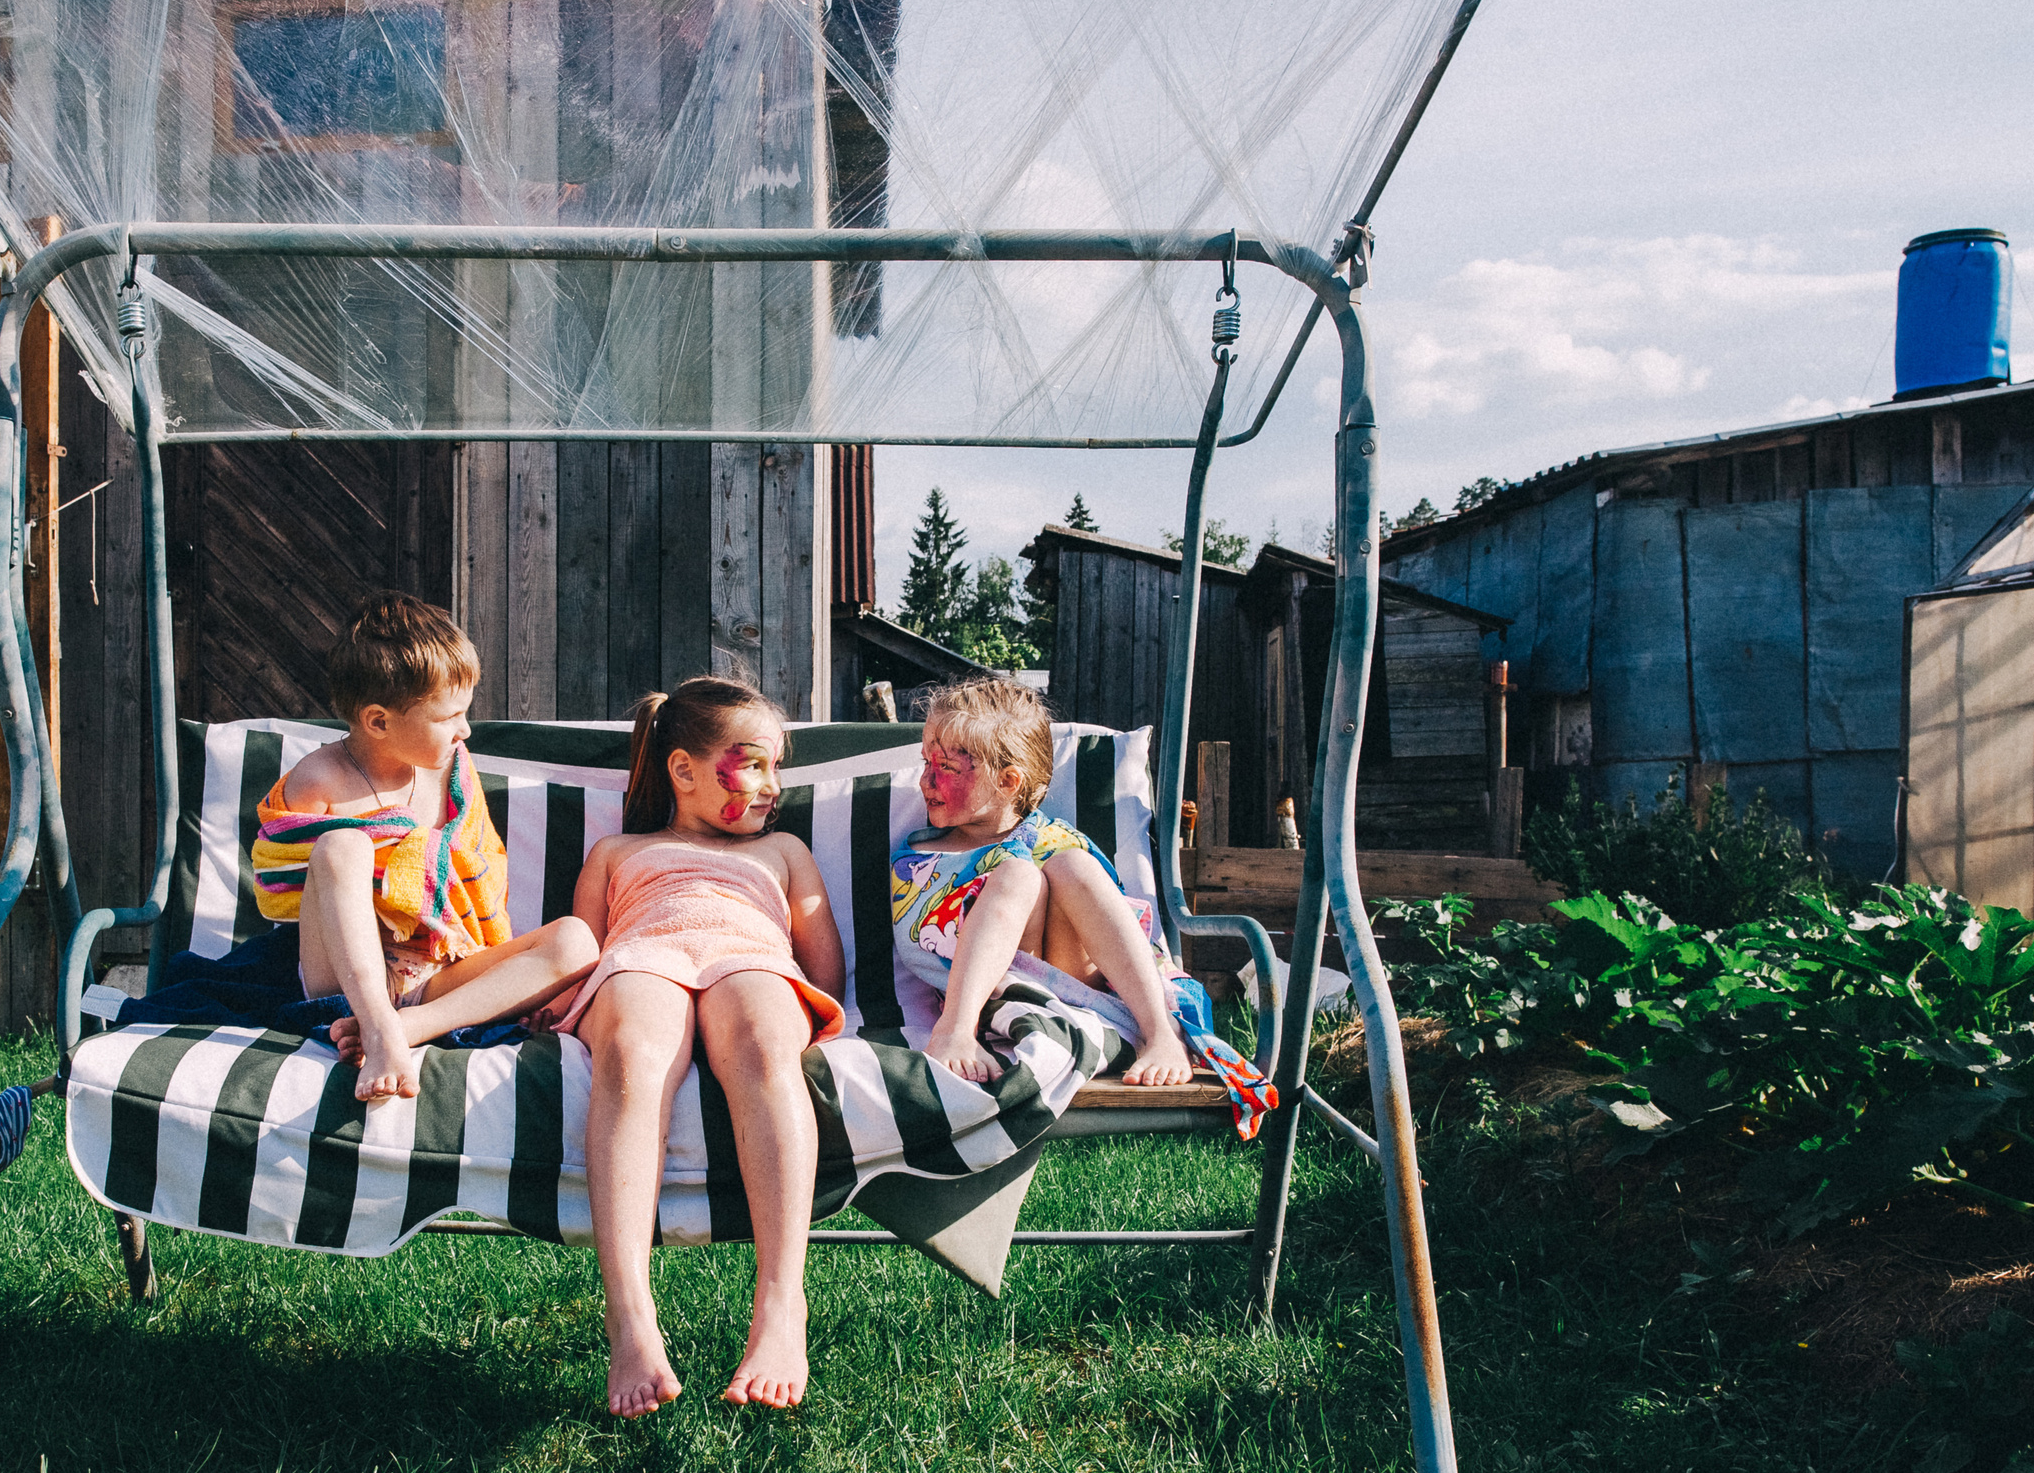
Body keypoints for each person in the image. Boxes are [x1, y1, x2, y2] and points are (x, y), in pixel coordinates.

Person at [550, 677, 846, 1419]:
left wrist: (772, 982)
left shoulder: (782, 850)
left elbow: (825, 964)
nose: (772, 786)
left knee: (761, 1039)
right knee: (632, 1053)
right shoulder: (617, 851)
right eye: (753, 763)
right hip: (642, 957)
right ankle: (630, 1314)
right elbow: (583, 950)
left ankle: (782, 1304)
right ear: (683, 770)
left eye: (778, 767)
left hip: (749, 958)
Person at [251, 590, 598, 1102]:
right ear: (378, 721)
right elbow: (282, 886)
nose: (465, 730)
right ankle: (375, 1021)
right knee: (341, 847)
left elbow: (480, 871)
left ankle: (408, 1028)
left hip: (436, 972)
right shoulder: (319, 779)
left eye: (465, 713)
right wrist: (376, 860)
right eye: (447, 718)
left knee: (576, 941)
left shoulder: (453, 771)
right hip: (344, 977)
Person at [890, 677, 1271, 1123]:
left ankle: (1161, 1031)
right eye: (925, 763)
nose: (925, 781)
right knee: (1017, 875)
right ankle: (956, 1029)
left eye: (946, 769)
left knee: (1072, 865)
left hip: (1081, 982)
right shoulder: (924, 856)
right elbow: (920, 940)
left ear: (1009, 781)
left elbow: (1114, 925)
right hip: (996, 990)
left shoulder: (1058, 841)